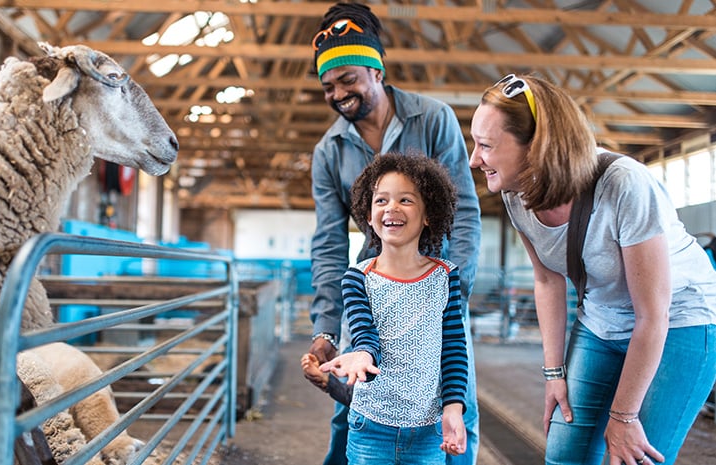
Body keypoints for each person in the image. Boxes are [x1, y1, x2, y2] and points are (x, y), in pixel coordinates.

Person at [468, 73, 716, 465]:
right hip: (601, 320)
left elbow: (653, 315)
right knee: (565, 454)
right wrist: (554, 374)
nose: (474, 159)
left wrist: (623, 416)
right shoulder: (517, 194)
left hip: (679, 320)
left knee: (634, 456)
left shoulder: (625, 185)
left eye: (485, 146)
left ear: (536, 146)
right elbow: (547, 280)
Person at [306, 3, 482, 464]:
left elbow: (462, 210)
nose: (338, 94)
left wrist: (452, 294)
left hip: (433, 286)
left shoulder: (434, 119)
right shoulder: (329, 151)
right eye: (328, 86)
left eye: (348, 79)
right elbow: (329, 242)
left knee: (452, 401)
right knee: (354, 403)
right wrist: (326, 327)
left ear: (377, 70)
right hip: (372, 287)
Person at [317, 152, 468, 463]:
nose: (392, 208)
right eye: (381, 200)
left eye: (406, 200)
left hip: (428, 432)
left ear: (429, 214)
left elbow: (453, 346)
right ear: (369, 216)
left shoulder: (446, 276)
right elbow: (364, 333)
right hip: (370, 426)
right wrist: (363, 355)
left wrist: (453, 407)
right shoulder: (357, 277)